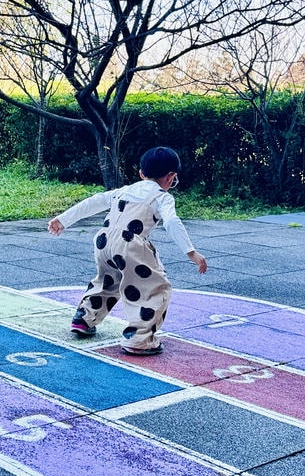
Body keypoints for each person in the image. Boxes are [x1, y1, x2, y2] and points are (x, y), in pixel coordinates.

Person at [47, 146, 207, 356]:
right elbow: (171, 222)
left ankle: (84, 318)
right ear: (171, 177)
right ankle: (139, 338)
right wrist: (191, 252)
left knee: (108, 280)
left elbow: (94, 202)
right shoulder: (162, 197)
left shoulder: (123, 191)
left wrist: (63, 220)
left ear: (141, 173)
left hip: (104, 240)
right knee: (156, 288)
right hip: (131, 243)